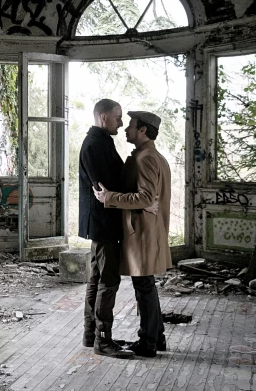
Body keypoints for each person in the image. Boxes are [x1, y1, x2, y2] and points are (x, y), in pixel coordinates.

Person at [94, 111, 172, 358]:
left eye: (131, 126)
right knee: (146, 285)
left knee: (144, 285)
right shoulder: (149, 155)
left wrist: (110, 198)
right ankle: (156, 338)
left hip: (142, 232)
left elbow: (147, 198)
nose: (126, 129)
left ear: (143, 131)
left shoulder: (146, 158)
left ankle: (148, 343)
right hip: (146, 230)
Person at [77, 99, 133, 358]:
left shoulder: (100, 141)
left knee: (97, 279)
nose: (121, 123)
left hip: (102, 222)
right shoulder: (95, 144)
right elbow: (104, 188)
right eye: (118, 117)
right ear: (103, 118)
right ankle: (103, 339)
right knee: (107, 281)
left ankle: (92, 334)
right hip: (103, 222)